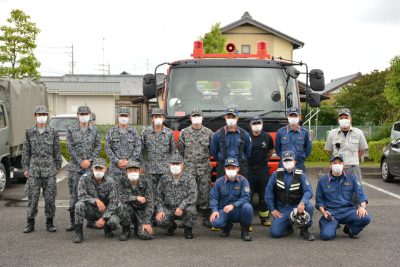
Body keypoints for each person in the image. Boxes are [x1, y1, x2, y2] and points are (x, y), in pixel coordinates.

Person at [22, 106, 62, 233]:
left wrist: (57, 166)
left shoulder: (53, 132)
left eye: (44, 114)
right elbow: (26, 151)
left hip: (49, 171)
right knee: (32, 198)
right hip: (34, 171)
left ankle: (50, 222)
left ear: (47, 115)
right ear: (35, 115)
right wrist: (25, 168)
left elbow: (57, 150)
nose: (42, 116)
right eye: (39, 114)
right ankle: (30, 223)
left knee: (50, 198)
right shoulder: (29, 132)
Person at [316, 154, 371, 240]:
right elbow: (319, 200)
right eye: (334, 163)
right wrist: (323, 212)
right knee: (326, 236)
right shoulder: (323, 180)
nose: (337, 165)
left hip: (348, 211)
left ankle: (349, 229)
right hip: (331, 212)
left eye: (340, 162)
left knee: (365, 218)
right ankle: (327, 224)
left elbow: (361, 194)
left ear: (343, 165)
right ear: (330, 165)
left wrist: (362, 207)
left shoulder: (351, 178)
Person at [265, 150, 315, 241]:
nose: (287, 162)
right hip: (282, 208)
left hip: (297, 206)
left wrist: (303, 202)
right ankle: (288, 226)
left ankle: (304, 230)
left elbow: (308, 191)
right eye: (285, 160)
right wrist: (272, 209)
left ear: (295, 161)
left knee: (309, 206)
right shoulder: (276, 174)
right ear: (282, 162)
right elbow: (268, 192)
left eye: (290, 160)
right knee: (275, 233)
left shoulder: (301, 175)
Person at [66, 105, 101, 231]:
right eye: (81, 114)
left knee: (91, 193)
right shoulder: (71, 129)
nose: (84, 116)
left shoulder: (94, 130)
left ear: (90, 115)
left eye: (86, 114)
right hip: (75, 168)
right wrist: (80, 161)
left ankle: (91, 220)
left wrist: (89, 160)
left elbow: (98, 146)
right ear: (77, 116)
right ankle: (73, 222)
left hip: (89, 168)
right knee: (75, 195)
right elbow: (69, 147)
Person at [178, 108, 213, 228]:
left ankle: (206, 218)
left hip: (204, 168)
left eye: (198, 116)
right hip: (189, 169)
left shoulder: (209, 133)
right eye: (194, 116)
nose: (196, 118)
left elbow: (212, 150)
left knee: (205, 193)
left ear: (202, 118)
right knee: (187, 194)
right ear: (190, 118)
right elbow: (181, 150)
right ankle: (186, 218)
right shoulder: (184, 133)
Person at [73, 158, 119, 243]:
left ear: (105, 169)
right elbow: (81, 195)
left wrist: (104, 218)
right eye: (96, 168)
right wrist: (95, 200)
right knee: (79, 205)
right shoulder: (84, 178)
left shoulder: (110, 181)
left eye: (100, 168)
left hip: (104, 210)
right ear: (92, 168)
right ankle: (78, 234)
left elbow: (114, 202)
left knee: (113, 222)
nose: (98, 170)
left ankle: (107, 229)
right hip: (90, 209)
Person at [209, 158, 253, 241]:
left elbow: (246, 197)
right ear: (225, 169)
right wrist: (214, 210)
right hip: (224, 210)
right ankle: (227, 226)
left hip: (238, 210)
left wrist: (233, 205)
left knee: (248, 208)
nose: (231, 170)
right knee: (214, 222)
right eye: (228, 168)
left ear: (238, 169)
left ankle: (245, 231)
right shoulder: (219, 181)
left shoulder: (244, 181)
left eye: (233, 168)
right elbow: (213, 197)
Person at [155, 154, 198, 239]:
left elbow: (193, 195)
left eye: (177, 164)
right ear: (169, 165)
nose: (175, 166)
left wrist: (181, 206)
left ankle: (188, 229)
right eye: (172, 164)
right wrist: (160, 210)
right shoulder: (164, 178)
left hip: (184, 208)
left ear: (182, 165)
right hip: (168, 208)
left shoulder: (189, 178)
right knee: (159, 220)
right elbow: (158, 196)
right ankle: (171, 226)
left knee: (191, 210)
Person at [325, 108, 368, 182]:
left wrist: (353, 158)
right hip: (337, 169)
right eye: (341, 118)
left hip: (353, 168)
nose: (344, 120)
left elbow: (362, 150)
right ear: (338, 120)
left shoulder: (358, 133)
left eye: (346, 118)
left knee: (356, 191)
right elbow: (328, 151)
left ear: (350, 119)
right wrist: (336, 161)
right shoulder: (332, 133)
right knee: (336, 191)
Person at [105, 106, 141, 194]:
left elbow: (138, 147)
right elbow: (107, 148)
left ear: (129, 117)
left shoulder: (134, 131)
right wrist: (117, 161)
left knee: (130, 192)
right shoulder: (111, 132)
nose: (123, 118)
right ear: (118, 116)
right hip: (115, 169)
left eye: (125, 115)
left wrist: (129, 161)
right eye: (122, 115)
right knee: (114, 192)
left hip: (130, 169)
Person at [247, 116, 275, 226]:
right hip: (249, 170)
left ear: (262, 124)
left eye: (258, 123)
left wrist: (264, 161)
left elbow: (270, 151)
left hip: (263, 170)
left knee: (264, 194)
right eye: (254, 123)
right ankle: (247, 219)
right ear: (250, 125)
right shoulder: (246, 137)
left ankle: (264, 218)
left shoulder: (267, 137)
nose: (256, 125)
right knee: (248, 194)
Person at [118, 160, 154, 241]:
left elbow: (150, 203)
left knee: (145, 236)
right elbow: (119, 197)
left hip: (142, 212)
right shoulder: (121, 181)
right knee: (121, 206)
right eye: (130, 170)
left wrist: (146, 221)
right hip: (129, 211)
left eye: (135, 170)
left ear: (139, 171)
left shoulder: (146, 182)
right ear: (126, 172)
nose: (133, 172)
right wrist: (135, 198)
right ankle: (126, 229)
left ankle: (138, 225)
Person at [141, 107, 176, 190]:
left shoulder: (169, 133)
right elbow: (141, 151)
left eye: (160, 116)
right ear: (152, 119)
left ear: (163, 118)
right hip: (150, 170)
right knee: (150, 193)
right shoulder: (145, 132)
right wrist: (142, 166)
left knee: (165, 193)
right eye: (155, 116)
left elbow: (173, 151)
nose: (158, 118)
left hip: (165, 170)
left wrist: (172, 167)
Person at [211, 107, 252, 177]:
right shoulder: (218, 134)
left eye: (233, 117)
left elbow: (248, 152)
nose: (231, 119)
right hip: (223, 168)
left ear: (237, 118)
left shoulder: (245, 134)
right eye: (229, 117)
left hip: (240, 168)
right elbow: (213, 152)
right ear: (225, 118)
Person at [275, 107, 312, 172]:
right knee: (283, 182)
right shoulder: (280, 132)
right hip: (284, 165)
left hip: (299, 165)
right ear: (288, 117)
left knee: (299, 182)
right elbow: (277, 149)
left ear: (299, 117)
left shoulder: (305, 132)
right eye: (291, 116)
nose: (293, 118)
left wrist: (301, 158)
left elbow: (308, 149)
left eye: (295, 116)